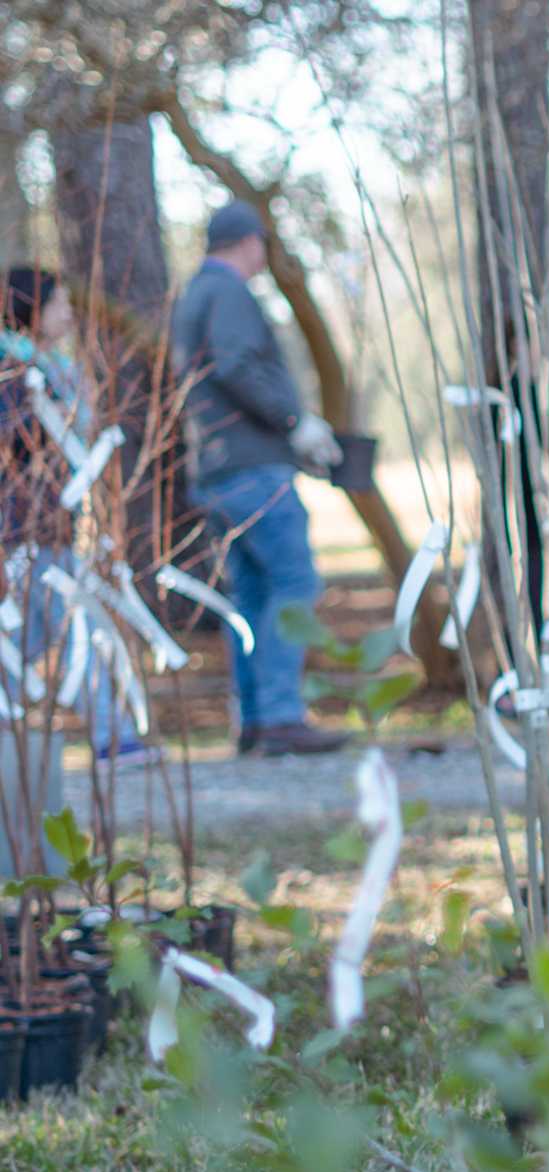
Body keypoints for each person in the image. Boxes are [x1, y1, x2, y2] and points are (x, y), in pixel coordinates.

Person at [171, 200, 350, 757]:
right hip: (253, 468)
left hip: (216, 470)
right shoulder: (229, 294)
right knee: (293, 583)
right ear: (250, 243)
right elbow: (238, 366)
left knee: (247, 593)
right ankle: (279, 716)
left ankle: (252, 720)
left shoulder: (192, 298)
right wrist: (293, 421)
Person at [0, 267, 155, 768]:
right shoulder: (14, 374)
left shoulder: (43, 369)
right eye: (60, 303)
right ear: (33, 310)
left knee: (35, 635)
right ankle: (115, 738)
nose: (69, 312)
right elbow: (21, 447)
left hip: (47, 524)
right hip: (26, 527)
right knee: (77, 628)